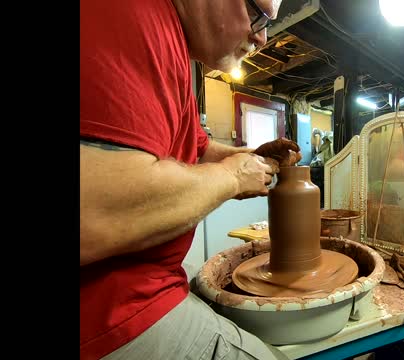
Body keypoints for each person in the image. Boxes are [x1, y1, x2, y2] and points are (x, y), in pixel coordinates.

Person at [80, 0, 297, 359]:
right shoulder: (131, 16)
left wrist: (255, 158)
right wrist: (232, 177)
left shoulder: (173, 45)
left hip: (141, 285)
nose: (261, 38)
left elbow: (195, 148)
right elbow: (96, 214)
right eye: (258, 16)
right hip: (108, 315)